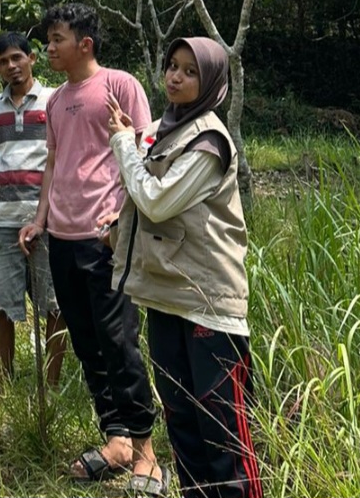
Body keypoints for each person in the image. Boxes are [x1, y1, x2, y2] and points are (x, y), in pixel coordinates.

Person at [18, 2, 166, 494]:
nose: (48, 48)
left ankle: (146, 452)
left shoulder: (120, 85)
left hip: (106, 239)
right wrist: (40, 220)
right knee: (85, 341)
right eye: (48, 39)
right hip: (62, 238)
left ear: (84, 43)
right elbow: (54, 161)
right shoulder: (56, 100)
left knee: (119, 340)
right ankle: (116, 437)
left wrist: (122, 217)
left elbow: (144, 151)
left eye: (56, 39)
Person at [104, 38, 262, 498]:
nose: (175, 77)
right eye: (172, 66)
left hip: (208, 302)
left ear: (211, 82)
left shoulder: (210, 141)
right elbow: (145, 199)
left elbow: (156, 201)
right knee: (182, 423)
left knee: (222, 430)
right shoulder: (166, 129)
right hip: (167, 293)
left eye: (190, 71)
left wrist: (122, 143)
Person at [0, 32, 66, 382]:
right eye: (3, 62)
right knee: (1, 303)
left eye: (16, 58)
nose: (11, 66)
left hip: (49, 220)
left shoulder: (54, 100)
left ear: (31, 58)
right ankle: (4, 382)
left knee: (53, 303)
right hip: (7, 219)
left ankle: (52, 383)